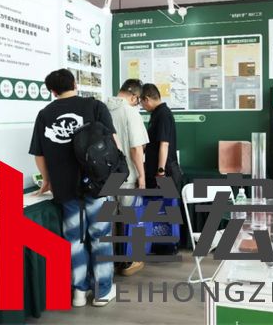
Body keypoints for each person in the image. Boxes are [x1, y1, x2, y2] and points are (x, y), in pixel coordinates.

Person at [29, 69, 117, 308]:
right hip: (97, 185)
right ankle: (102, 291)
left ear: (52, 91)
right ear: (75, 84)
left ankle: (79, 292)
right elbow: (112, 144)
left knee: (74, 240)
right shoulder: (95, 106)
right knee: (100, 237)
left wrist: (47, 180)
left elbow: (39, 154)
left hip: (65, 187)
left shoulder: (45, 114)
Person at [106, 79, 149, 276]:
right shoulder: (131, 112)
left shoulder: (102, 107)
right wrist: (142, 176)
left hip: (105, 176)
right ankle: (126, 263)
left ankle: (110, 263)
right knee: (128, 219)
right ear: (134, 96)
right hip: (127, 175)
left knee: (109, 221)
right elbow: (136, 149)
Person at [140, 83, 182, 191]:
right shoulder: (156, 113)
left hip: (164, 172)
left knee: (167, 201)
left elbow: (164, 144)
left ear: (146, 99)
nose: (141, 106)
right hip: (155, 170)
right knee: (154, 201)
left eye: (141, 102)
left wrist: (161, 172)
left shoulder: (163, 114)